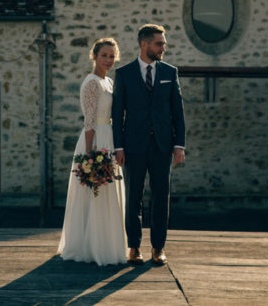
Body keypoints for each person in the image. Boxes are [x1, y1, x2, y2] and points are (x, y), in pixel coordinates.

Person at [112, 23, 186, 266]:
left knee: (161, 196)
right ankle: (134, 247)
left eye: (163, 43)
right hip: (133, 146)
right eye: (159, 43)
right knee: (133, 196)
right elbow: (117, 113)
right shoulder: (124, 74)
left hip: (163, 146)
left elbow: (178, 112)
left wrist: (179, 144)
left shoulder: (170, 72)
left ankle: (158, 247)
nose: (163, 48)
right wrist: (118, 147)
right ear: (144, 44)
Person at [57, 38, 128, 266]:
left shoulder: (108, 81)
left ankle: (107, 244)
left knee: (107, 193)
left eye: (112, 56)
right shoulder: (91, 83)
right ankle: (89, 247)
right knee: (94, 192)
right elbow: (89, 122)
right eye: (104, 55)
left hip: (109, 137)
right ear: (94, 56)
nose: (108, 60)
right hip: (95, 139)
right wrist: (89, 156)